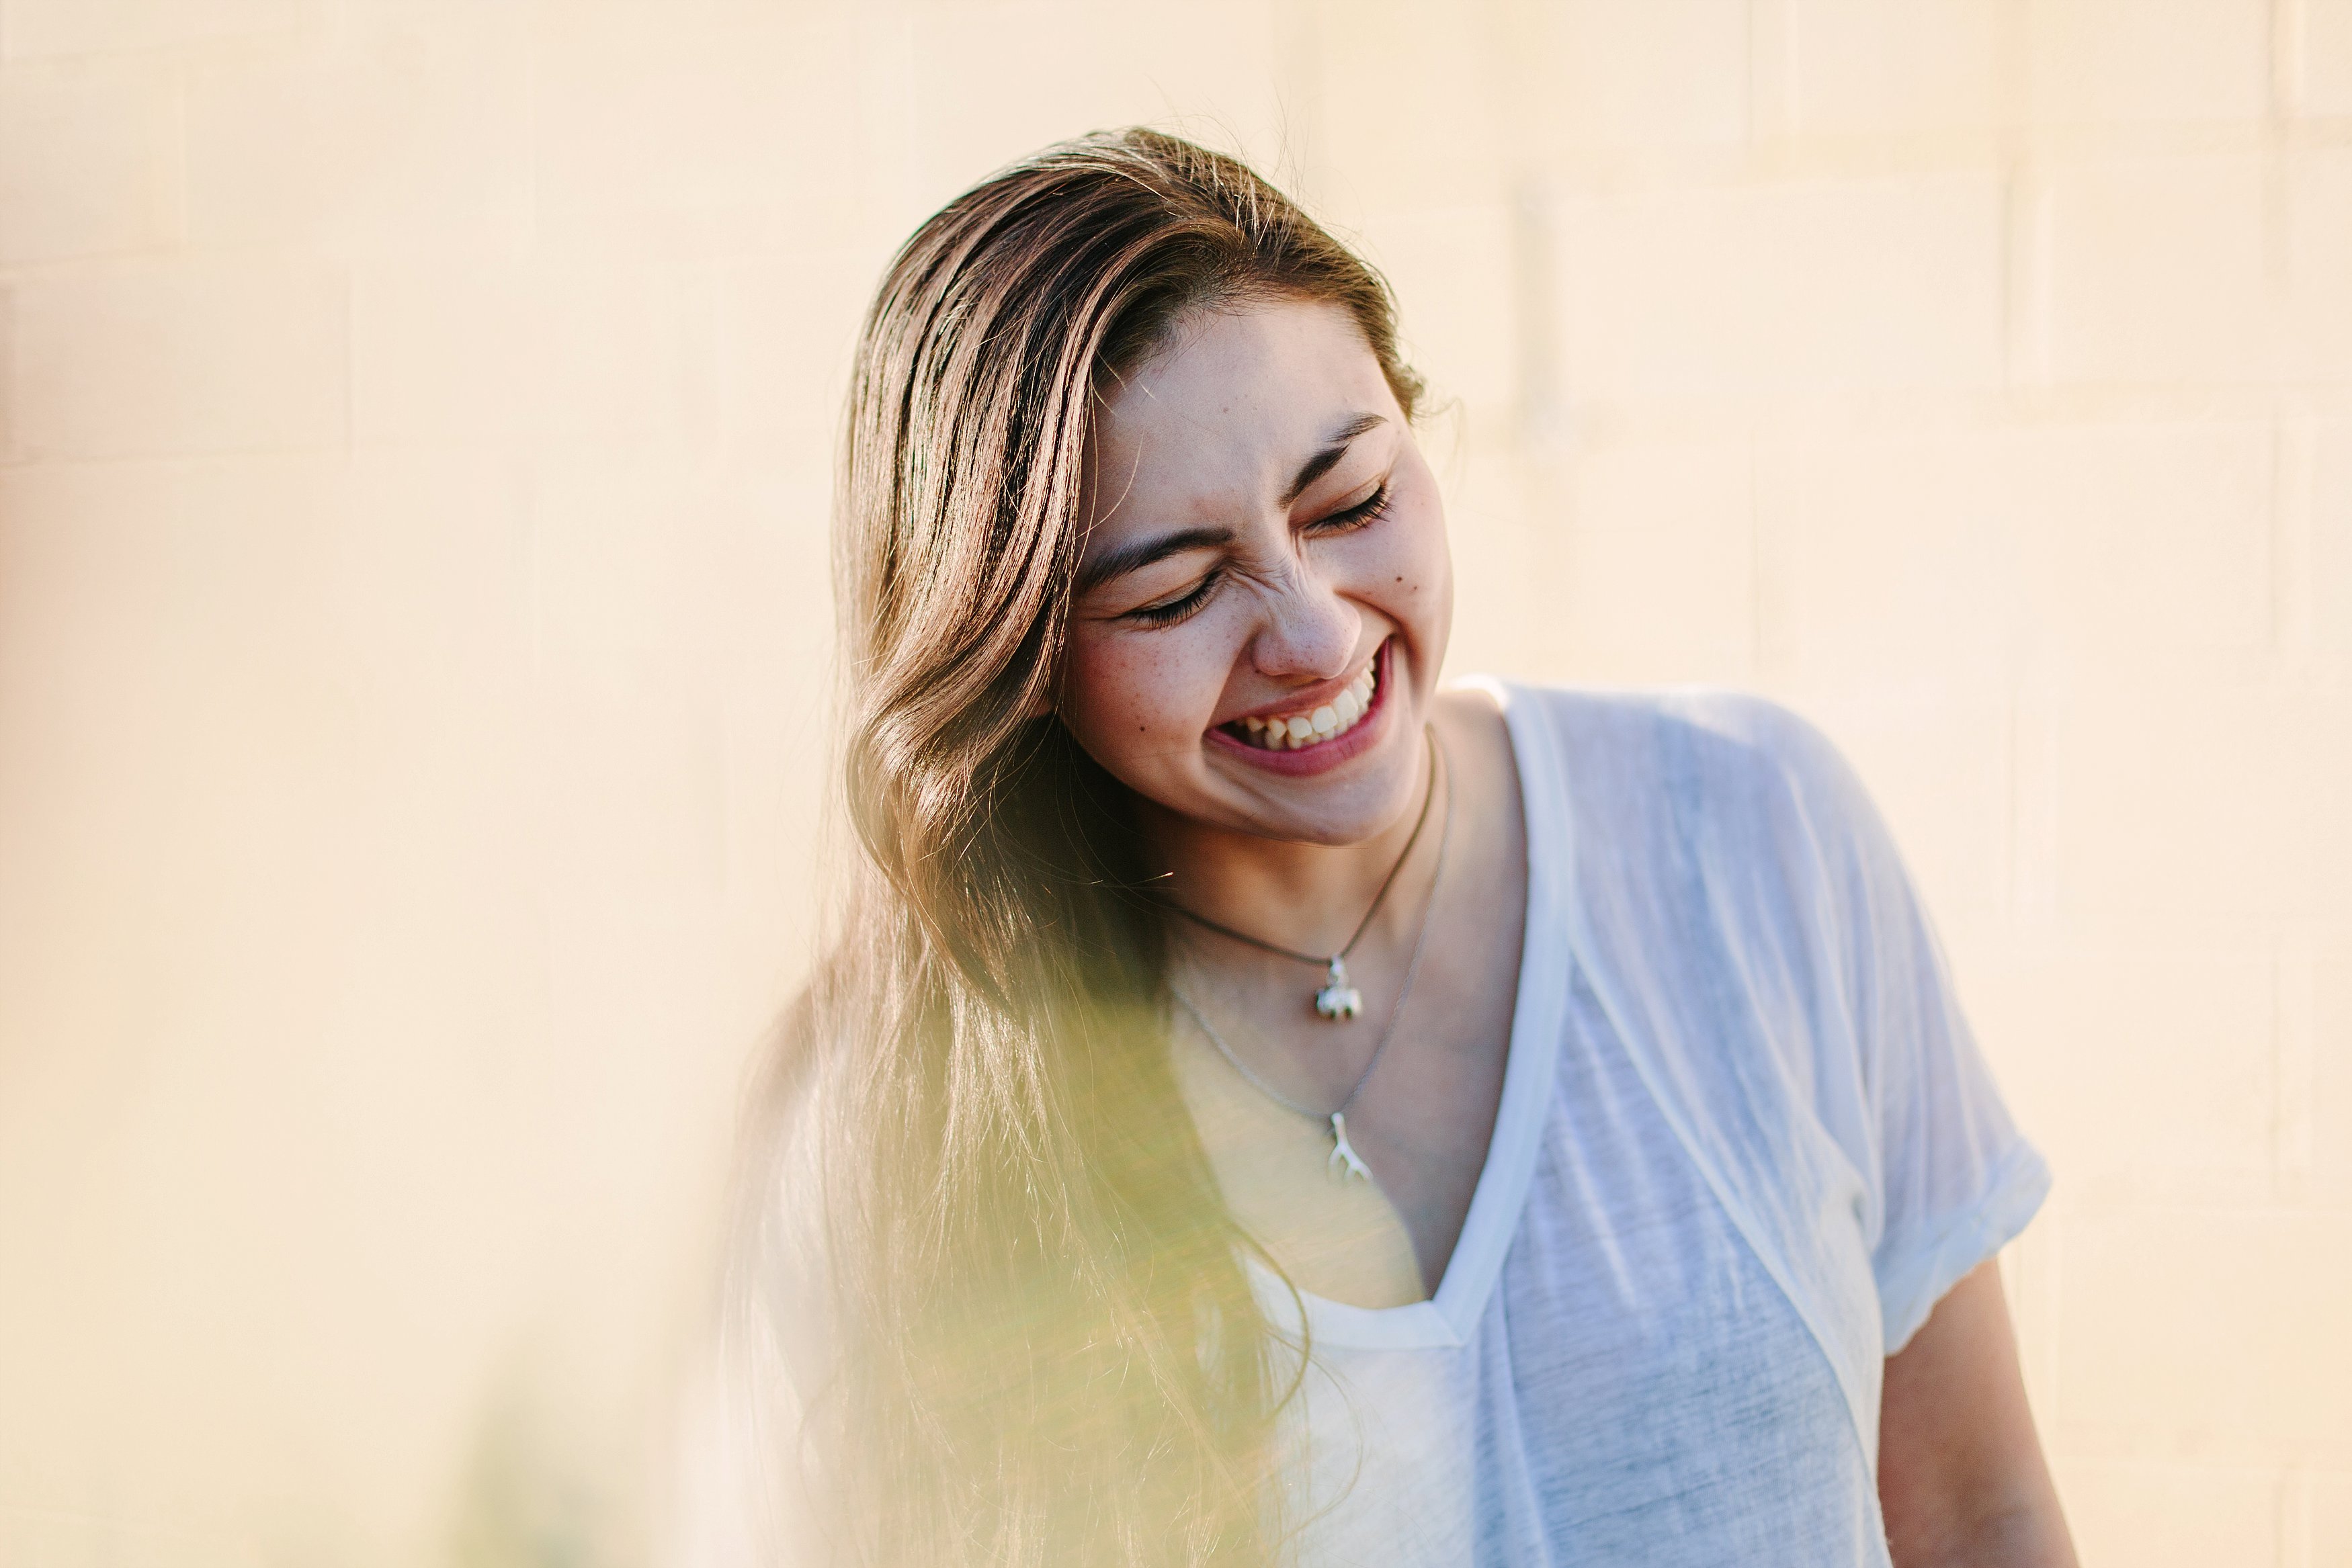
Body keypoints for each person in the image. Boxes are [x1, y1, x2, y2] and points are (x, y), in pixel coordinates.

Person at [683, 128, 2077, 1568]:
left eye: (1350, 504)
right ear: (1013, 661)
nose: (1316, 634)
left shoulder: (1751, 831)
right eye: (1171, 592)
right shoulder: (880, 1126)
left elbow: (1980, 1513)